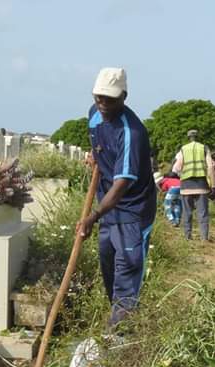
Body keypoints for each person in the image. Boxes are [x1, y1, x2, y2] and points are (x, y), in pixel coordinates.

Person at [76, 67, 157, 328]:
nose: (103, 104)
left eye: (109, 99)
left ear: (124, 96)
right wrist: (96, 156)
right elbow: (97, 142)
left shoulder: (132, 132)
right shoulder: (94, 115)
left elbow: (122, 182)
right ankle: (120, 323)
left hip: (133, 212)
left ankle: (119, 339)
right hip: (108, 210)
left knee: (127, 274)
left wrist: (94, 216)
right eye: (98, 97)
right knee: (109, 269)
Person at [172, 129, 215, 241]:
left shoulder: (183, 149)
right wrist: (213, 185)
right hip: (202, 186)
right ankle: (204, 238)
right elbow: (210, 167)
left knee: (187, 212)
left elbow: (175, 168)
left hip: (186, 186)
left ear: (188, 137)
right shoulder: (204, 148)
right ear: (197, 137)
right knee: (203, 213)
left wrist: (182, 175)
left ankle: (187, 237)